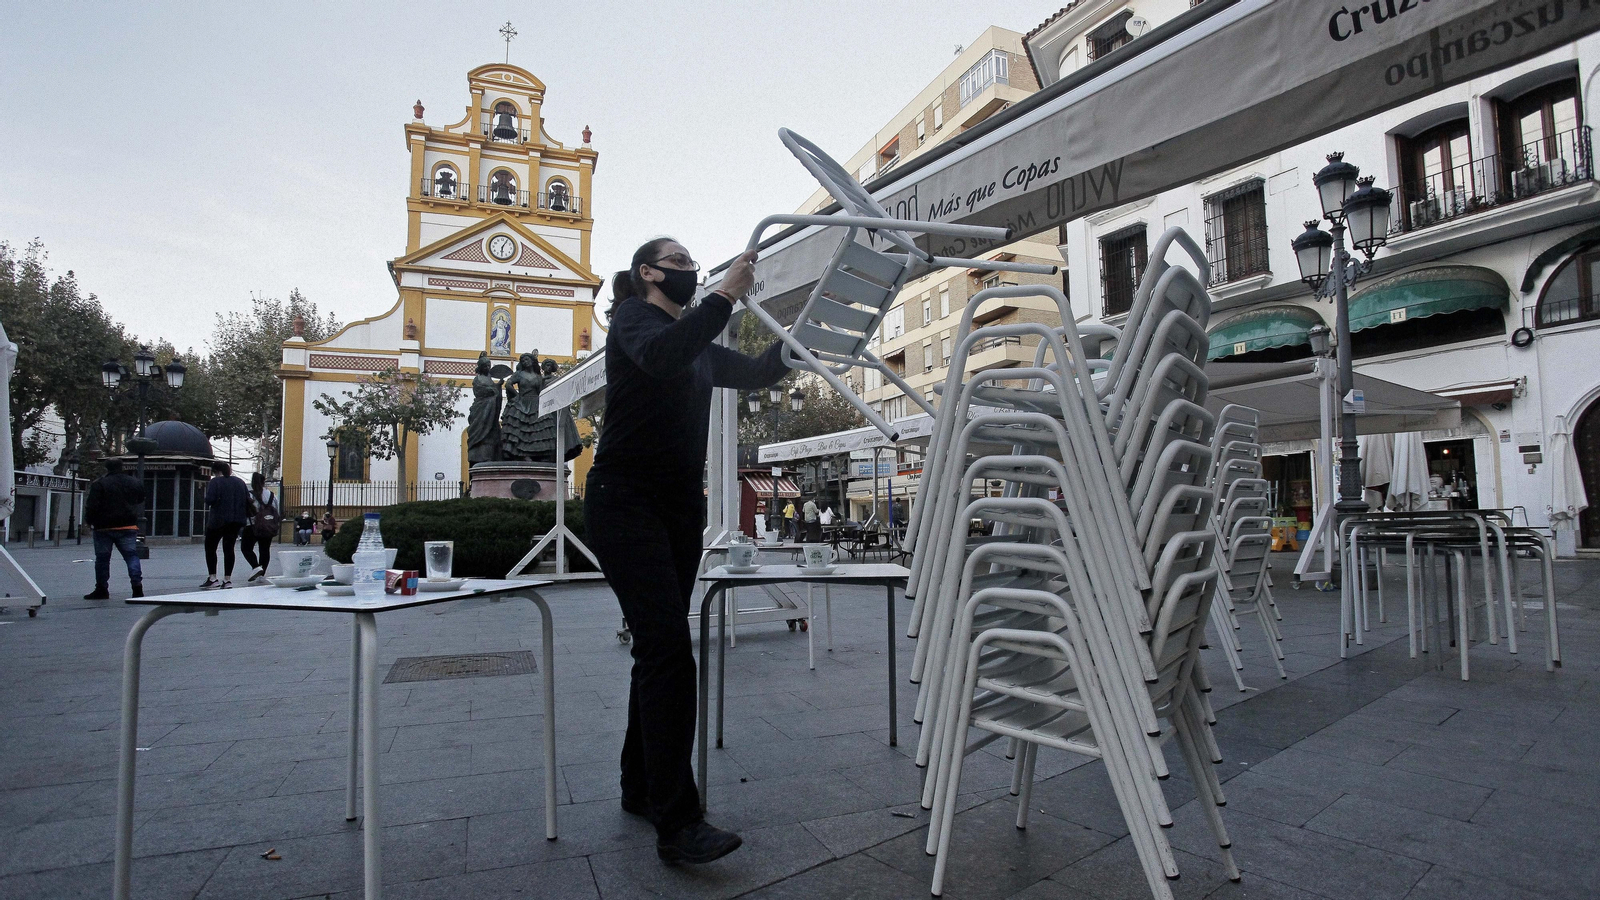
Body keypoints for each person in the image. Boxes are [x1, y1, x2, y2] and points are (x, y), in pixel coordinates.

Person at [584, 237, 783, 865]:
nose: (690, 272)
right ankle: (679, 822)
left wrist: (800, 346)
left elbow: (754, 371)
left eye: (695, 267)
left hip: (676, 506)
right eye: (679, 264)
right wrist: (726, 294)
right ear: (648, 274)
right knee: (670, 651)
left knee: (657, 648)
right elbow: (664, 358)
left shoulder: (698, 344)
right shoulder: (635, 321)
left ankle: (641, 788)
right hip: (625, 501)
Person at [82, 458, 146, 600]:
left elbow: (92, 505)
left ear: (107, 468)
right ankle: (137, 587)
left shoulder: (100, 484)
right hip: (128, 524)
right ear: (121, 467)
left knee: (103, 559)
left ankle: (102, 588)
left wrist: (90, 521)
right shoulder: (134, 482)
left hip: (104, 526)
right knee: (131, 556)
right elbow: (140, 498)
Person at [200, 461, 252, 589]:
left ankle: (213, 578)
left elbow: (210, 500)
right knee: (229, 549)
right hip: (236, 521)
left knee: (210, 547)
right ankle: (227, 579)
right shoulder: (240, 482)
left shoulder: (215, 482)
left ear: (216, 471)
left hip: (218, 520)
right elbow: (247, 499)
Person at [239, 472, 279, 582]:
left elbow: (244, 510)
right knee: (265, 549)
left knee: (246, 548)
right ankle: (262, 573)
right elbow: (277, 510)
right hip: (268, 526)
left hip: (251, 525)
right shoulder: (272, 495)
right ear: (263, 482)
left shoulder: (250, 495)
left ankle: (256, 566)